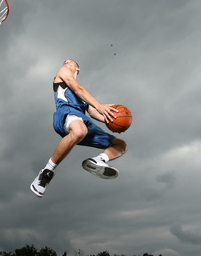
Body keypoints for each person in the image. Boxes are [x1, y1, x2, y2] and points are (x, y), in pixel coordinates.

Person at [30, 59, 128, 198]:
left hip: (82, 120)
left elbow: (93, 112)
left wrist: (111, 119)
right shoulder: (63, 73)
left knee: (121, 145)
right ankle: (46, 172)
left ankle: (98, 161)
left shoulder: (82, 96)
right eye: (65, 61)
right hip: (66, 113)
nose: (66, 62)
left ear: (78, 69)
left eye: (70, 62)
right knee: (79, 130)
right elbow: (77, 88)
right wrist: (99, 105)